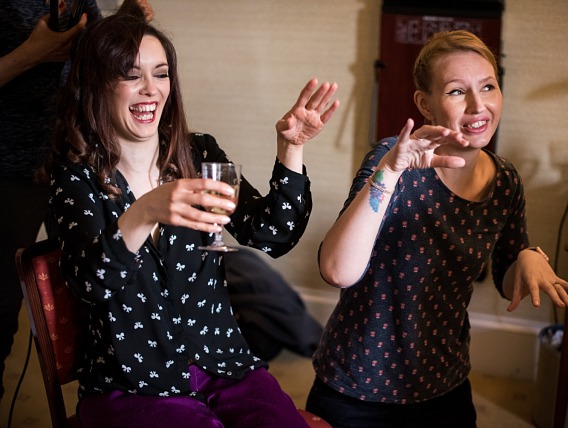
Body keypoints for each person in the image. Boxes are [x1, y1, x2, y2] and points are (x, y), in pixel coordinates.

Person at [43, 11, 338, 427]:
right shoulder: (75, 178)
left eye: (161, 74)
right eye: (131, 75)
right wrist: (145, 210)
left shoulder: (198, 154)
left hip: (223, 364)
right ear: (96, 84)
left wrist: (291, 150)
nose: (151, 90)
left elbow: (273, 235)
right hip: (132, 381)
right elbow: (89, 282)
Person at [308, 30, 568, 427]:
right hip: (357, 386)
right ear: (426, 103)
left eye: (488, 87)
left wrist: (527, 256)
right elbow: (336, 270)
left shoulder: (505, 181)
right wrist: (389, 171)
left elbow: (508, 282)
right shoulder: (394, 159)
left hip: (443, 383)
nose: (479, 106)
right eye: (457, 91)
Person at [0, 0, 102, 404]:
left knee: (96, 288)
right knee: (2, 306)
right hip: (7, 172)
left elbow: (92, 63)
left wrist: (124, 21)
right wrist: (31, 53)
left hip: (70, 165)